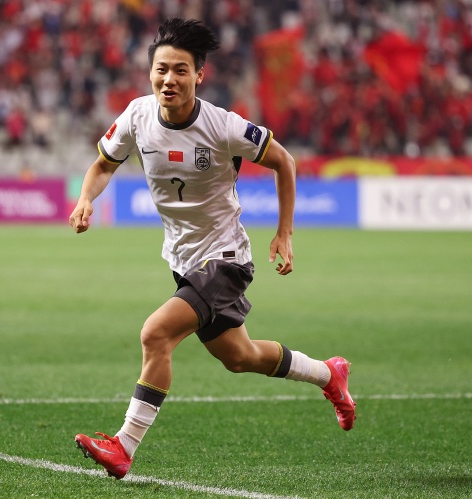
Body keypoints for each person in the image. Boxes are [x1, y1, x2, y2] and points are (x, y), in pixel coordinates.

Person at [68, 18, 356, 480]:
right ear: (150, 72)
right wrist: (86, 198)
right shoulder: (137, 116)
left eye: (181, 70)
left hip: (225, 260)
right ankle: (329, 374)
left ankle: (124, 446)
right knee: (240, 357)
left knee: (155, 334)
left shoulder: (223, 126)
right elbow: (103, 164)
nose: (169, 79)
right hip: (184, 260)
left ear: (199, 75)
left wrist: (284, 232)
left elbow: (284, 161)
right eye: (162, 69)